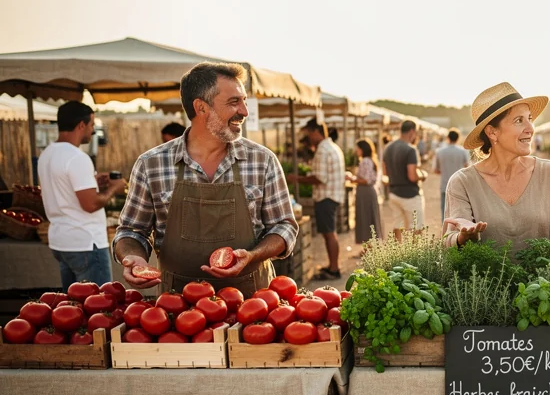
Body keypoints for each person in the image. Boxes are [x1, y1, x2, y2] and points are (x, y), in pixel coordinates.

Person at [114, 62, 298, 296]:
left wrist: (252, 256)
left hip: (253, 305)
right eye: (234, 102)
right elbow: (131, 231)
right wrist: (133, 258)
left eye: (244, 101)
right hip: (177, 308)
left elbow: (284, 227)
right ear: (201, 108)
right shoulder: (151, 165)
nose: (244, 111)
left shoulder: (262, 161)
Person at [443, 82, 550, 254]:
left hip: (543, 283)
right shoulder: (463, 182)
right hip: (483, 282)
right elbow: (449, 245)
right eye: (519, 120)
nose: (530, 129)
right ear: (492, 132)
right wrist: (462, 239)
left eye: (530, 119)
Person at [38, 101, 126, 291]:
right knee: (99, 306)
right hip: (85, 242)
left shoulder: (47, 154)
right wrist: (114, 189)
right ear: (81, 125)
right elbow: (91, 204)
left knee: (72, 308)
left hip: (61, 241)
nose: (92, 130)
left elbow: (63, 189)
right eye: (92, 125)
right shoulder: (77, 157)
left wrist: (92, 181)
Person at [288, 119, 345, 280]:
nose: (308, 137)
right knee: (330, 233)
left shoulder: (322, 149)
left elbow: (320, 178)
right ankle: (332, 266)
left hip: (325, 196)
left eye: (309, 133)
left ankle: (334, 269)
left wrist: (297, 179)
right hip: (333, 195)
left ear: (316, 131)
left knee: (329, 233)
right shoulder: (333, 147)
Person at [381, 120, 425, 240]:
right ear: (412, 131)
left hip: (394, 193)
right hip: (410, 194)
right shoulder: (410, 149)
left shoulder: (387, 148)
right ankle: (413, 257)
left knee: (398, 225)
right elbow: (412, 176)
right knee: (416, 228)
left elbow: (385, 173)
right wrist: (422, 176)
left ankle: (398, 255)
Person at [347, 138, 383, 252]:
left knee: (366, 219)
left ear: (362, 149)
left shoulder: (365, 161)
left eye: (357, 148)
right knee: (368, 219)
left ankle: (369, 249)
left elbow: (366, 180)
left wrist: (352, 179)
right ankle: (369, 248)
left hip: (365, 192)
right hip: (367, 192)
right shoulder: (369, 160)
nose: (356, 151)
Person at [433, 129, 471, 219]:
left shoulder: (439, 151)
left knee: (444, 212)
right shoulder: (463, 151)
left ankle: (445, 231)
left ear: (448, 138)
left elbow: (436, 170)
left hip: (444, 185)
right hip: (459, 186)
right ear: (458, 138)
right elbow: (467, 167)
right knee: (459, 212)